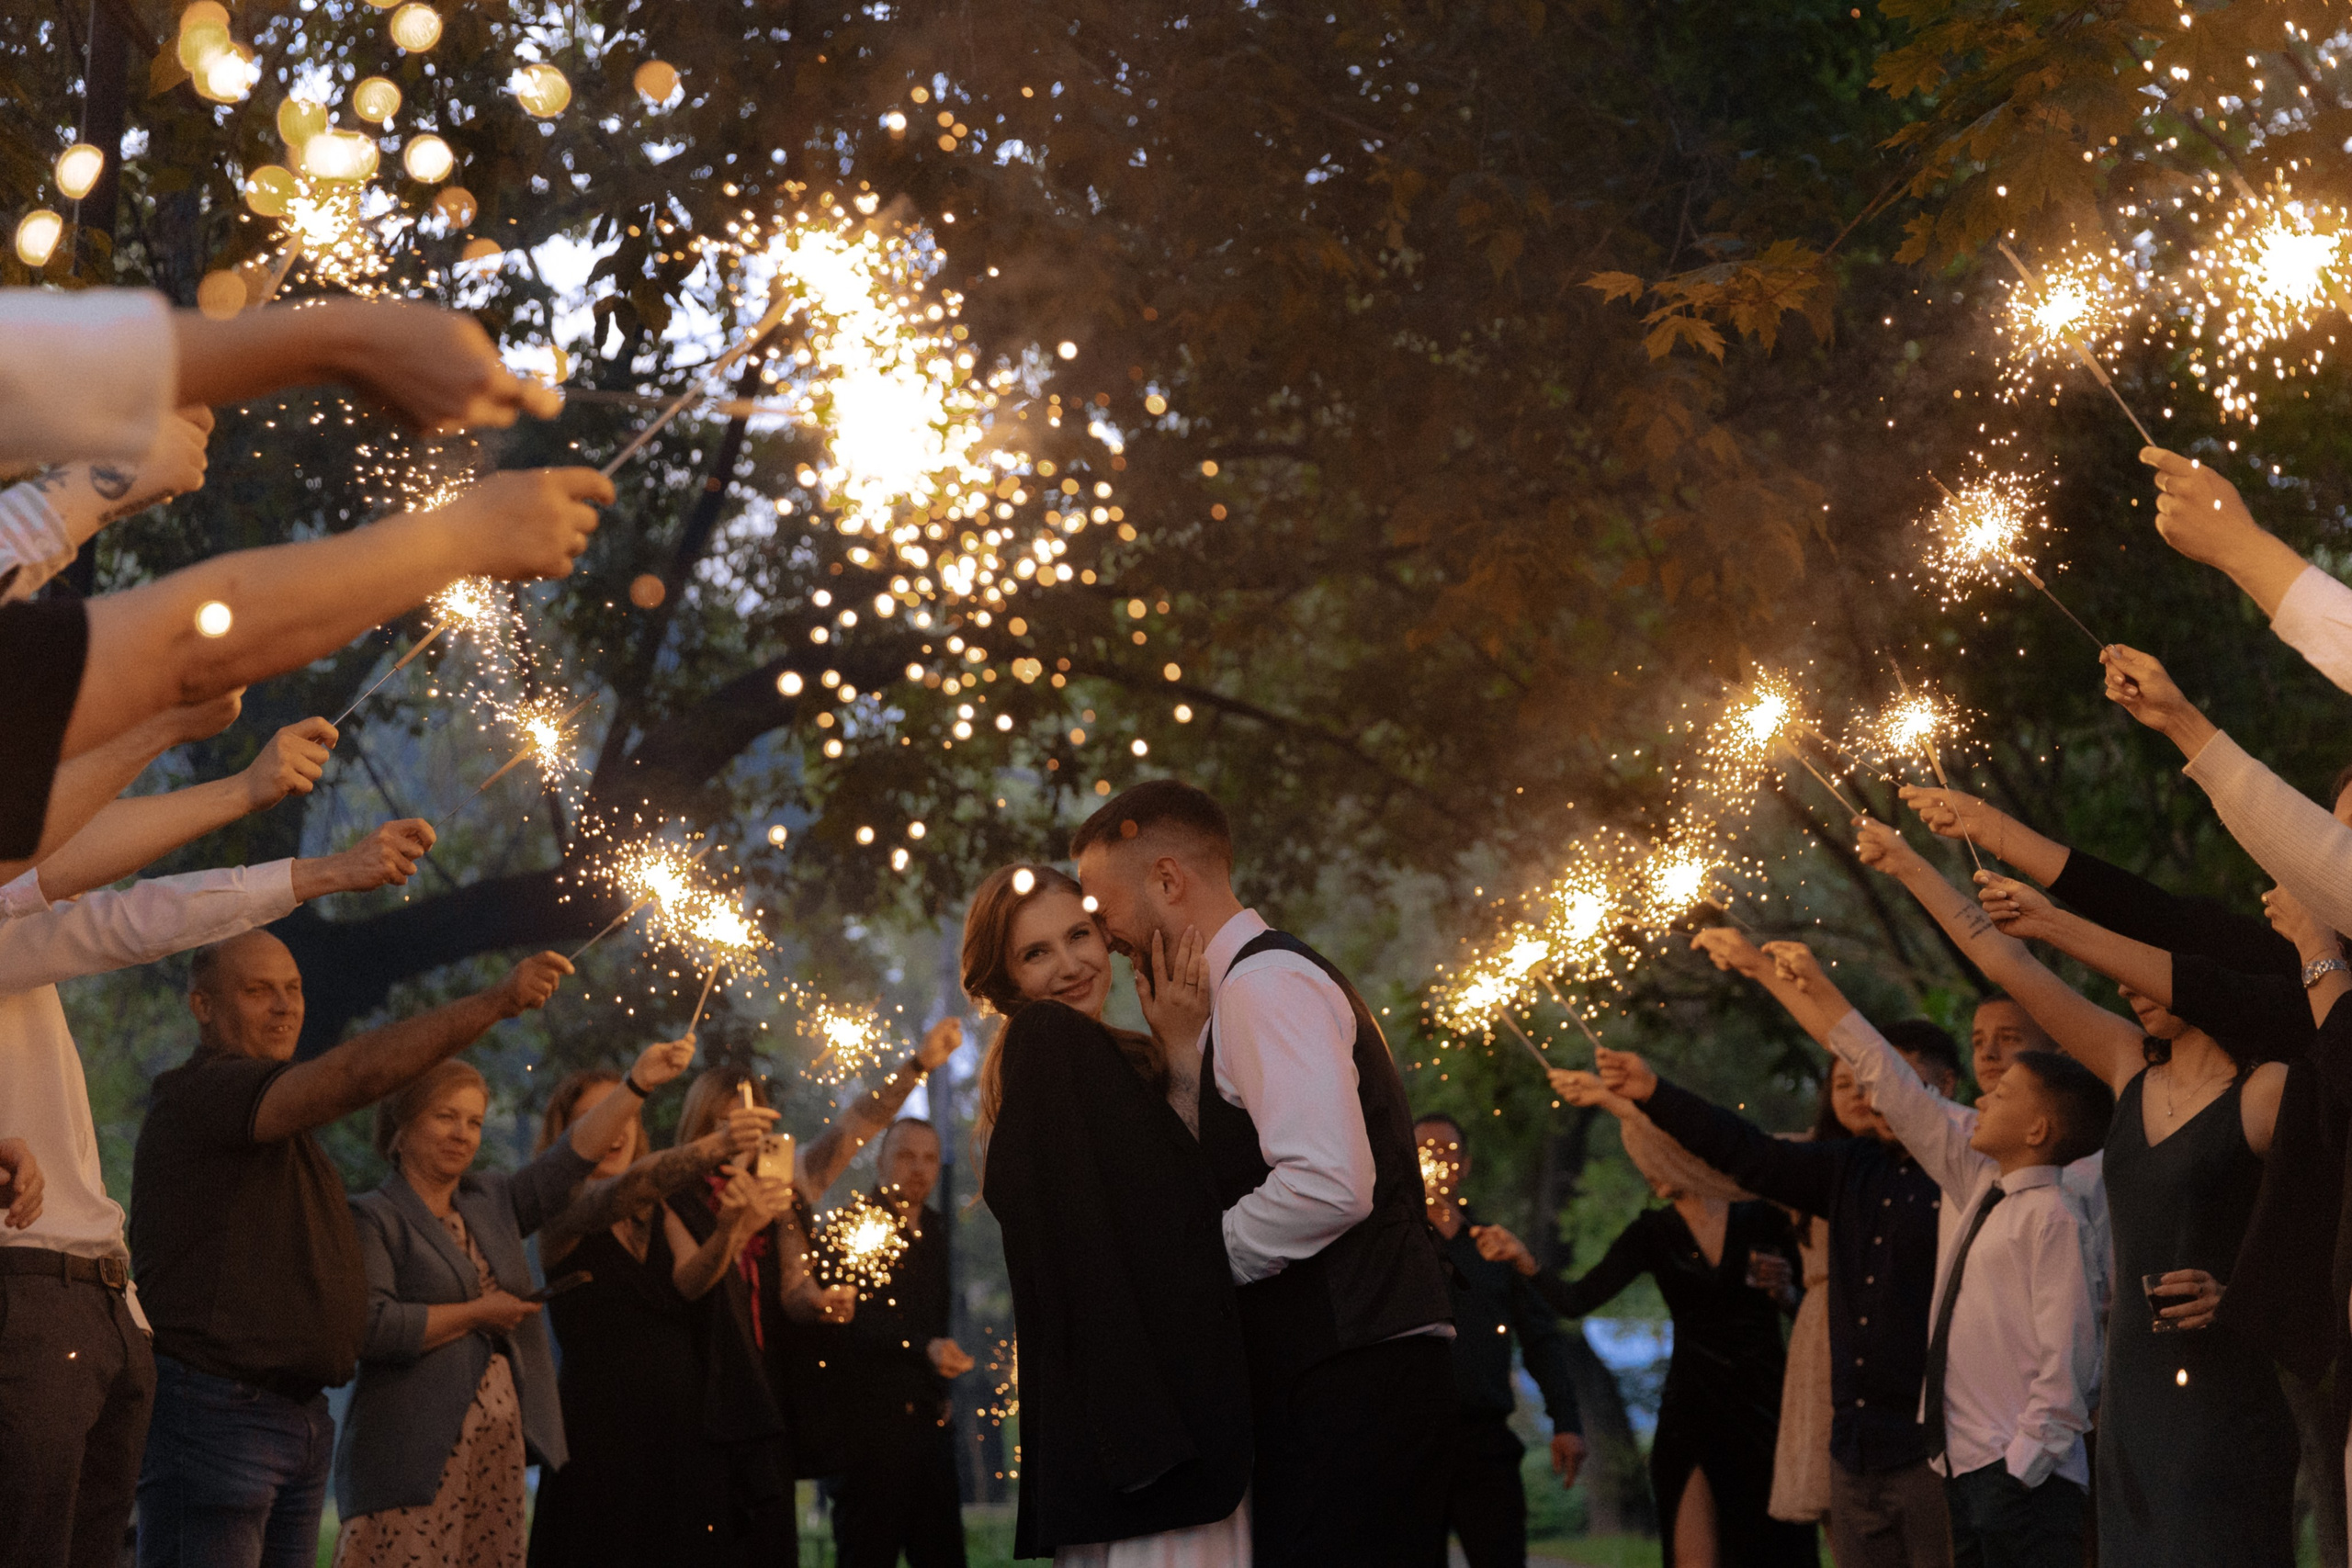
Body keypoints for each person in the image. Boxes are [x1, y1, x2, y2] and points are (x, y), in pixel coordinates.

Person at [0, 704, 424, 1568]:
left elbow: (118, 907)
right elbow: (62, 869)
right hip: (27, 1298)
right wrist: (197, 754)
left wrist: (316, 872)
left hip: (107, 1310)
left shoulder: (18, 934)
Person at [1854, 814, 2299, 1566]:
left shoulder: (2266, 1092)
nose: (2126, 980)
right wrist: (1907, 864)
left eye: (2147, 962)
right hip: (2132, 1390)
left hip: (2226, 1389)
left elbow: (2326, 1218)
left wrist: (2249, 1292)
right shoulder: (2129, 1065)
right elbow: (2006, 961)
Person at [1071, 781, 1453, 1566]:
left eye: (1106, 907)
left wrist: (1195, 1262)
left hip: (1351, 1375)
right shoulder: (1247, 991)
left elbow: (1330, 1181)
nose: (1103, 932)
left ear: (1169, 880)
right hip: (1350, 1370)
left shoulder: (1263, 986)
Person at [130, 931, 571, 1568]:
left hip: (295, 1417)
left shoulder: (283, 1135)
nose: (285, 1006)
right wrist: (495, 1001)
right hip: (220, 1414)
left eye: (294, 989)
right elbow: (355, 1073)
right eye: (259, 991)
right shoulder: (200, 1093)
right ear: (202, 1006)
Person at [1703, 931, 2109, 1568]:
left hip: (2026, 1476)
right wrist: (1770, 971)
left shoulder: (2059, 1206)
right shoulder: (1969, 1169)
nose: (1981, 1094)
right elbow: (1878, 1068)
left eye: (2001, 1095)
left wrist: (2024, 1463)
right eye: (1982, 1061)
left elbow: (2072, 1353)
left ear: (2037, 1128)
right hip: (1961, 1464)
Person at [1591, 1023, 1958, 1568]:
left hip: (1924, 1391)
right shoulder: (1825, 1162)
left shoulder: (1954, 1158)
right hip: (1836, 1375)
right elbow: (1731, 1156)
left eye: (1876, 1080)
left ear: (1943, 1085)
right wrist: (1638, 1099)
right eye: (1845, 1084)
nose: (1865, 1093)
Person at [967, 861, 1250, 1563]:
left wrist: (1179, 1050)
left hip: (1153, 1440)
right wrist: (1144, 1443)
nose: (1069, 965)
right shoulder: (1047, 1043)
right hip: (1150, 1448)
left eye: (1079, 935)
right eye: (1036, 953)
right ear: (1008, 980)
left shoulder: (1105, 1057)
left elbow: (1171, 1197)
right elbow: (1086, 1255)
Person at [329, 1036, 699, 1567]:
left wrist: (637, 1084)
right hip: (411, 1457)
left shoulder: (493, 1199)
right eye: (445, 1117)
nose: (462, 1134)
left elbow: (570, 1158)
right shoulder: (372, 1216)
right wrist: (481, 1313)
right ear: (402, 1127)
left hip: (495, 1453)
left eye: (475, 1122)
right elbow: (373, 1327)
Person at [1476, 1085, 1813, 1568]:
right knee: (1695, 1554)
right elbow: (1576, 1299)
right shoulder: (1654, 1232)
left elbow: (1813, 1308)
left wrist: (1785, 1293)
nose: (1646, 1172)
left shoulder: (1762, 1216)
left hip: (1765, 1403)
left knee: (1773, 1550)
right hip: (1692, 1406)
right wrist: (1525, 1260)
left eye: (1650, 1157)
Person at [521, 1067, 780, 1568]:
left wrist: (730, 1229)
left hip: (680, 1430)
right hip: (599, 1431)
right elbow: (621, 1191)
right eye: (599, 1117)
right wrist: (714, 1144)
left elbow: (689, 1280)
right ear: (567, 1135)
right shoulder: (557, 1211)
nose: (617, 1130)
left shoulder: (665, 1206)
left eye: (627, 1116)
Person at [1410, 1112, 1586, 1568]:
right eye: (1423, 1151)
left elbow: (1541, 1339)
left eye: (1447, 1151)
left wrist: (1566, 1420)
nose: (1436, 1161)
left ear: (1465, 1165)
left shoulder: (1494, 1247)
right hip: (1410, 1445)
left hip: (1485, 1444)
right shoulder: (1394, 1246)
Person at [827, 1118, 974, 1568]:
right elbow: (850, 1325)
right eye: (906, 1156)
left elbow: (940, 1314)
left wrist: (944, 1386)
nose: (919, 1168)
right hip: (868, 1436)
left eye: (930, 1158)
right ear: (881, 1160)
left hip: (929, 1432)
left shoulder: (936, 1228)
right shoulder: (851, 1227)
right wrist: (922, 1347)